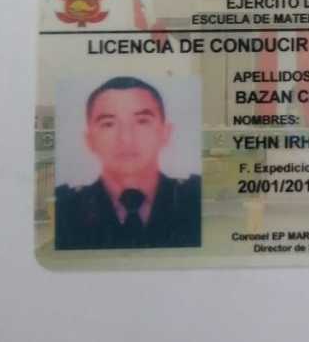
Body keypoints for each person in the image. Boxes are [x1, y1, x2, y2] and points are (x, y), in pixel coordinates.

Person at [55, 76, 201, 250]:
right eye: (108, 124)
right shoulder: (64, 210)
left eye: (142, 121)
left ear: (165, 133)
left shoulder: (195, 200)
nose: (126, 139)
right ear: (89, 140)